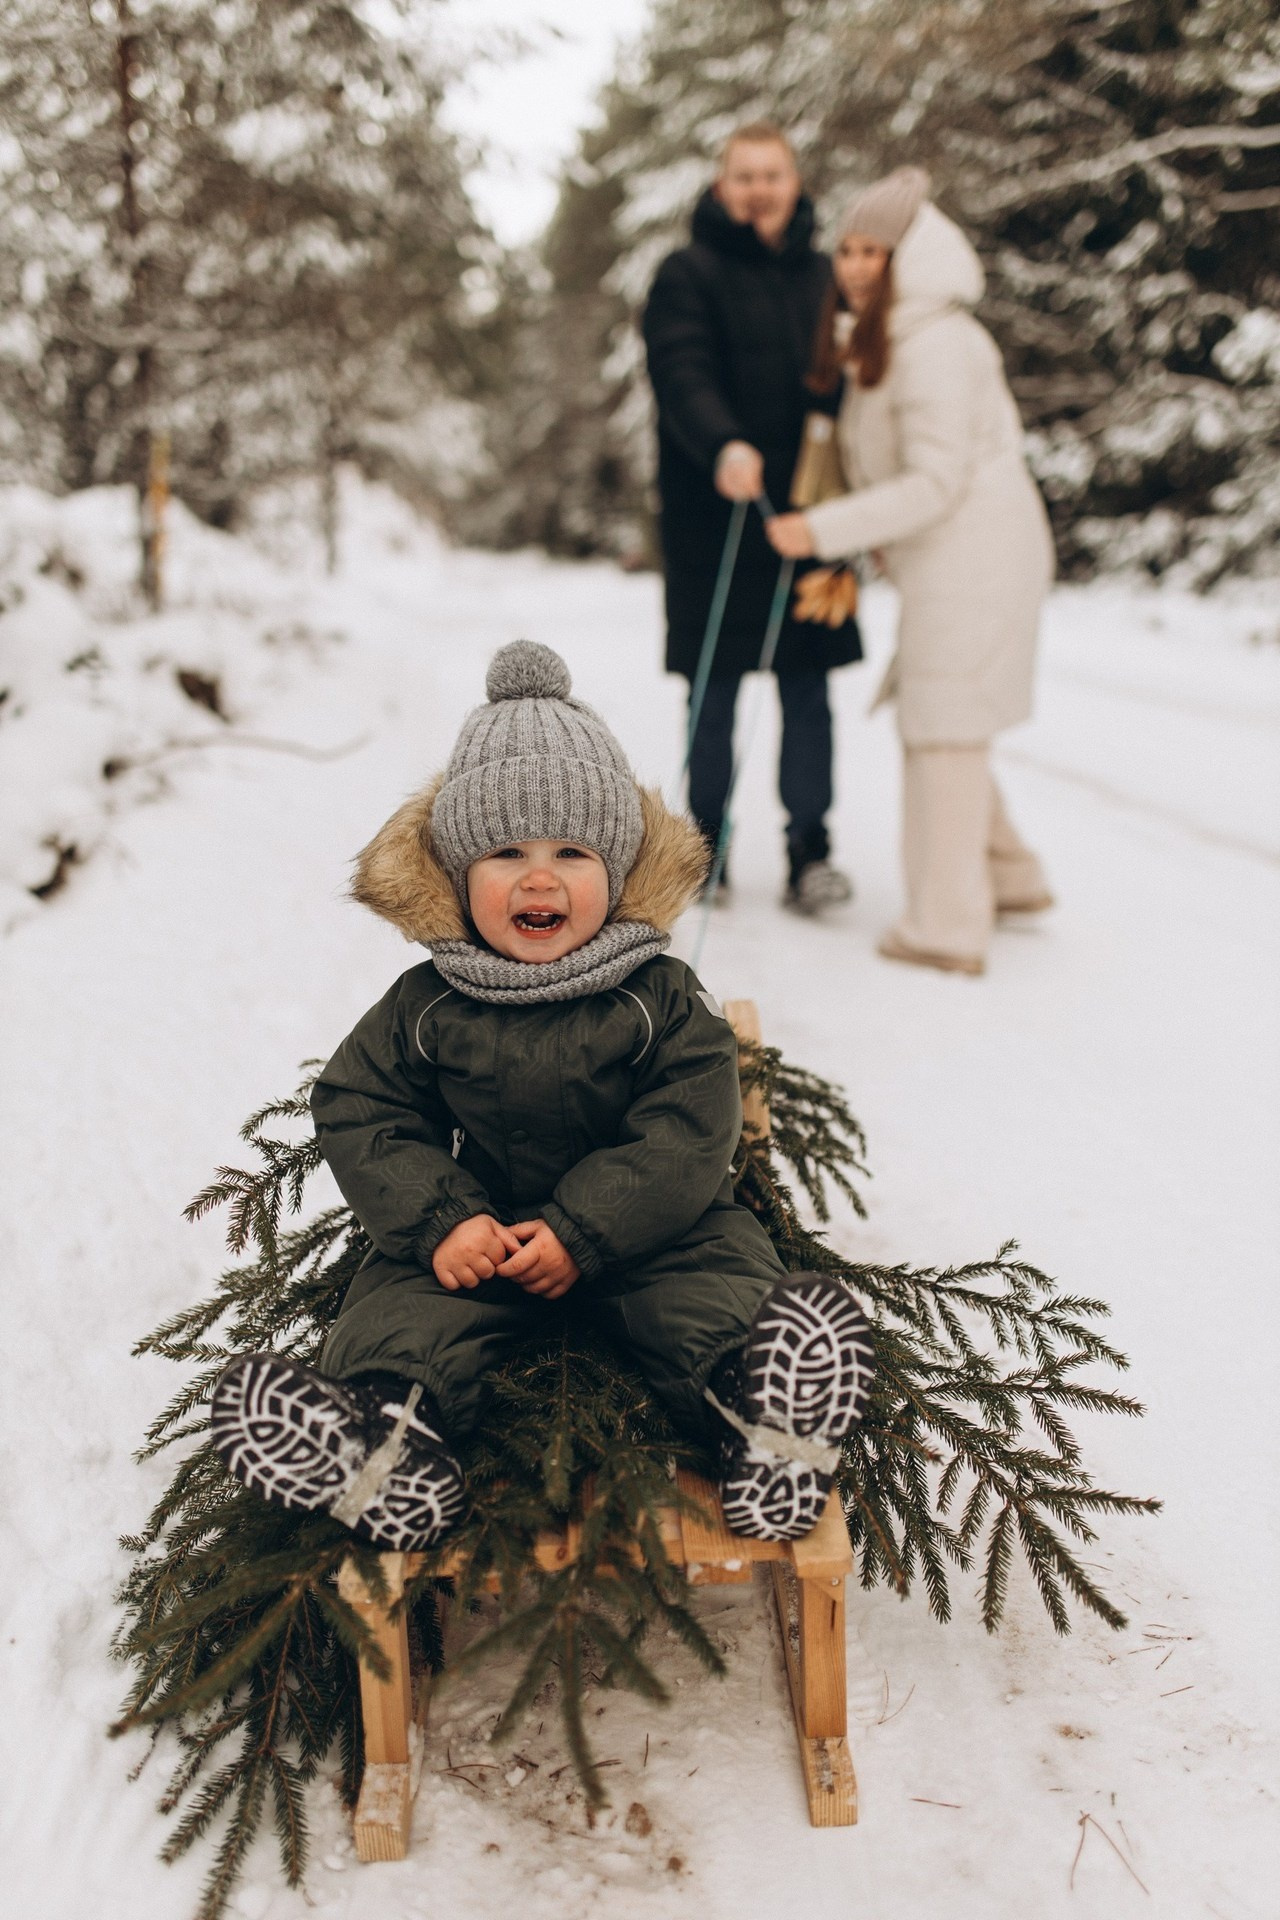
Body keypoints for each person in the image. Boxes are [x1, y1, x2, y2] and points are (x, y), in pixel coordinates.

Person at [211, 641, 874, 1548]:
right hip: (482, 1232)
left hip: (646, 1235)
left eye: (572, 850)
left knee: (718, 1283)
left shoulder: (657, 995)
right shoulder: (431, 1002)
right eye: (504, 852)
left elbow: (688, 1128)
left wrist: (587, 1230)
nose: (538, 877)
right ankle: (382, 1447)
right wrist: (440, 1220)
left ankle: (768, 1422)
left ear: (618, 868)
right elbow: (363, 1106)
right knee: (401, 1308)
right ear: (453, 870)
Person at [767, 167, 1056, 975]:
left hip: (978, 557)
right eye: (848, 250)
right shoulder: (895, 333)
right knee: (948, 719)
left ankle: (946, 928)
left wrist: (820, 529)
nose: (856, 265)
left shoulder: (935, 342)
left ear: (913, 254)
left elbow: (936, 479)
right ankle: (1013, 879)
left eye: (875, 250)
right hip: (952, 555)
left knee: (943, 728)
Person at [642, 122, 861, 913]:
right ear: (721, 185)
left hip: (810, 522)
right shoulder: (685, 273)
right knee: (714, 690)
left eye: (773, 175)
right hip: (715, 521)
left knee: (809, 688)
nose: (760, 189)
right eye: (745, 176)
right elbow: (680, 368)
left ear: (795, 184)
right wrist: (722, 443)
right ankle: (705, 851)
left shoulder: (829, 277)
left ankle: (811, 853)